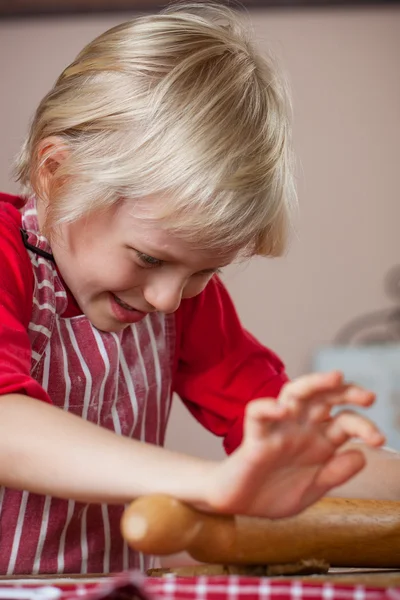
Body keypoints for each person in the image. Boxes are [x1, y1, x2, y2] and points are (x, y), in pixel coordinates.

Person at [0, 1, 396, 578]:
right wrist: (208, 482)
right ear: (56, 175)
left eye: (203, 271)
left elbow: (298, 460)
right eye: (149, 257)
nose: (166, 299)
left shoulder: (181, 301)